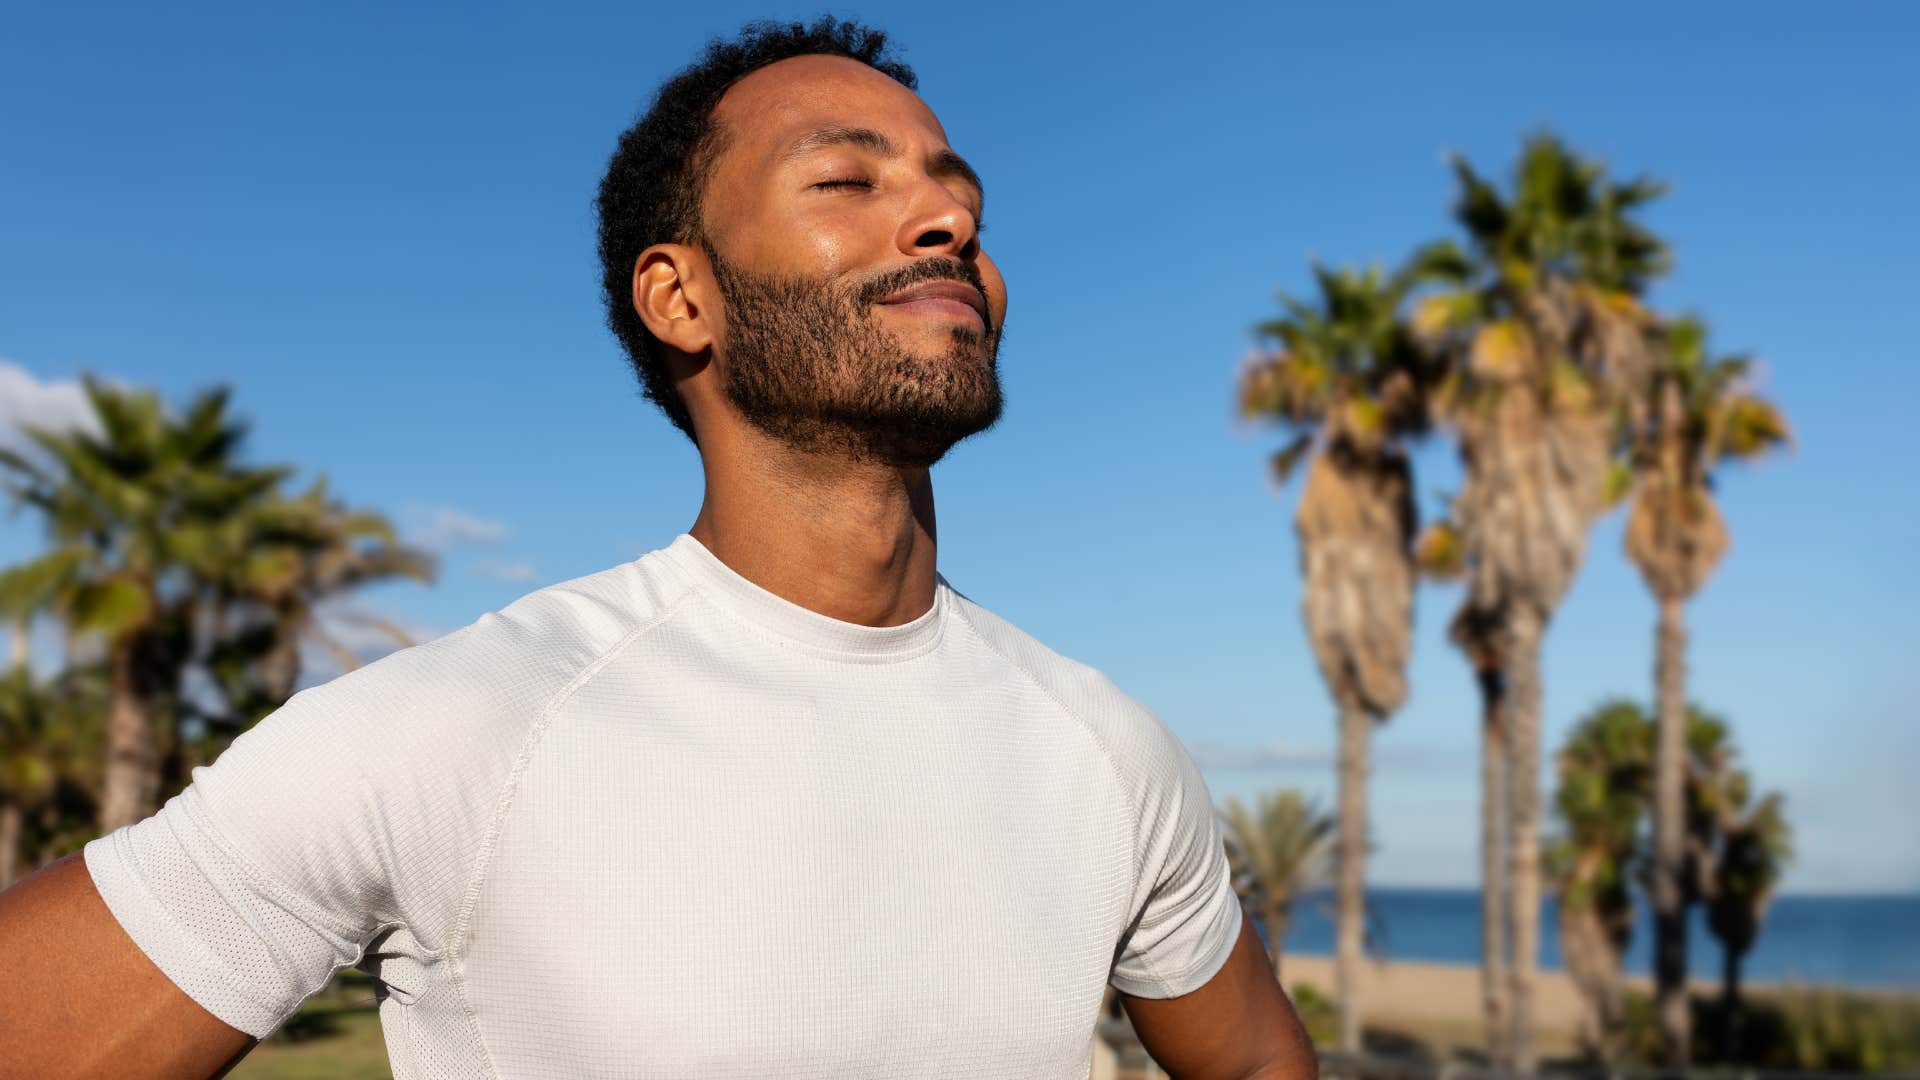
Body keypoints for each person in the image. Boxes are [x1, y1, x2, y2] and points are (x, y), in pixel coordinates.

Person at [0, 17, 1315, 1080]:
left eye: (957, 194)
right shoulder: (458, 732)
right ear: (681, 298)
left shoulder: (1106, 750)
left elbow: (1258, 1061)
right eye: (848, 181)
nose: (948, 223)